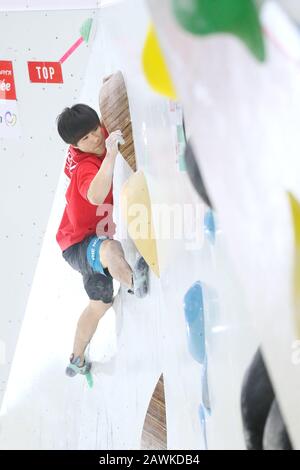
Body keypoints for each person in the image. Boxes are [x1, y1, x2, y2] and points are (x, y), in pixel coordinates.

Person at [56, 103, 149, 379]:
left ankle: (76, 359)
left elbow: (109, 102)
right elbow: (96, 195)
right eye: (86, 139)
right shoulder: (85, 165)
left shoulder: (97, 134)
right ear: (75, 145)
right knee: (111, 249)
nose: (95, 138)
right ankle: (137, 285)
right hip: (77, 244)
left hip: (86, 237)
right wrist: (109, 155)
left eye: (95, 130)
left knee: (100, 304)